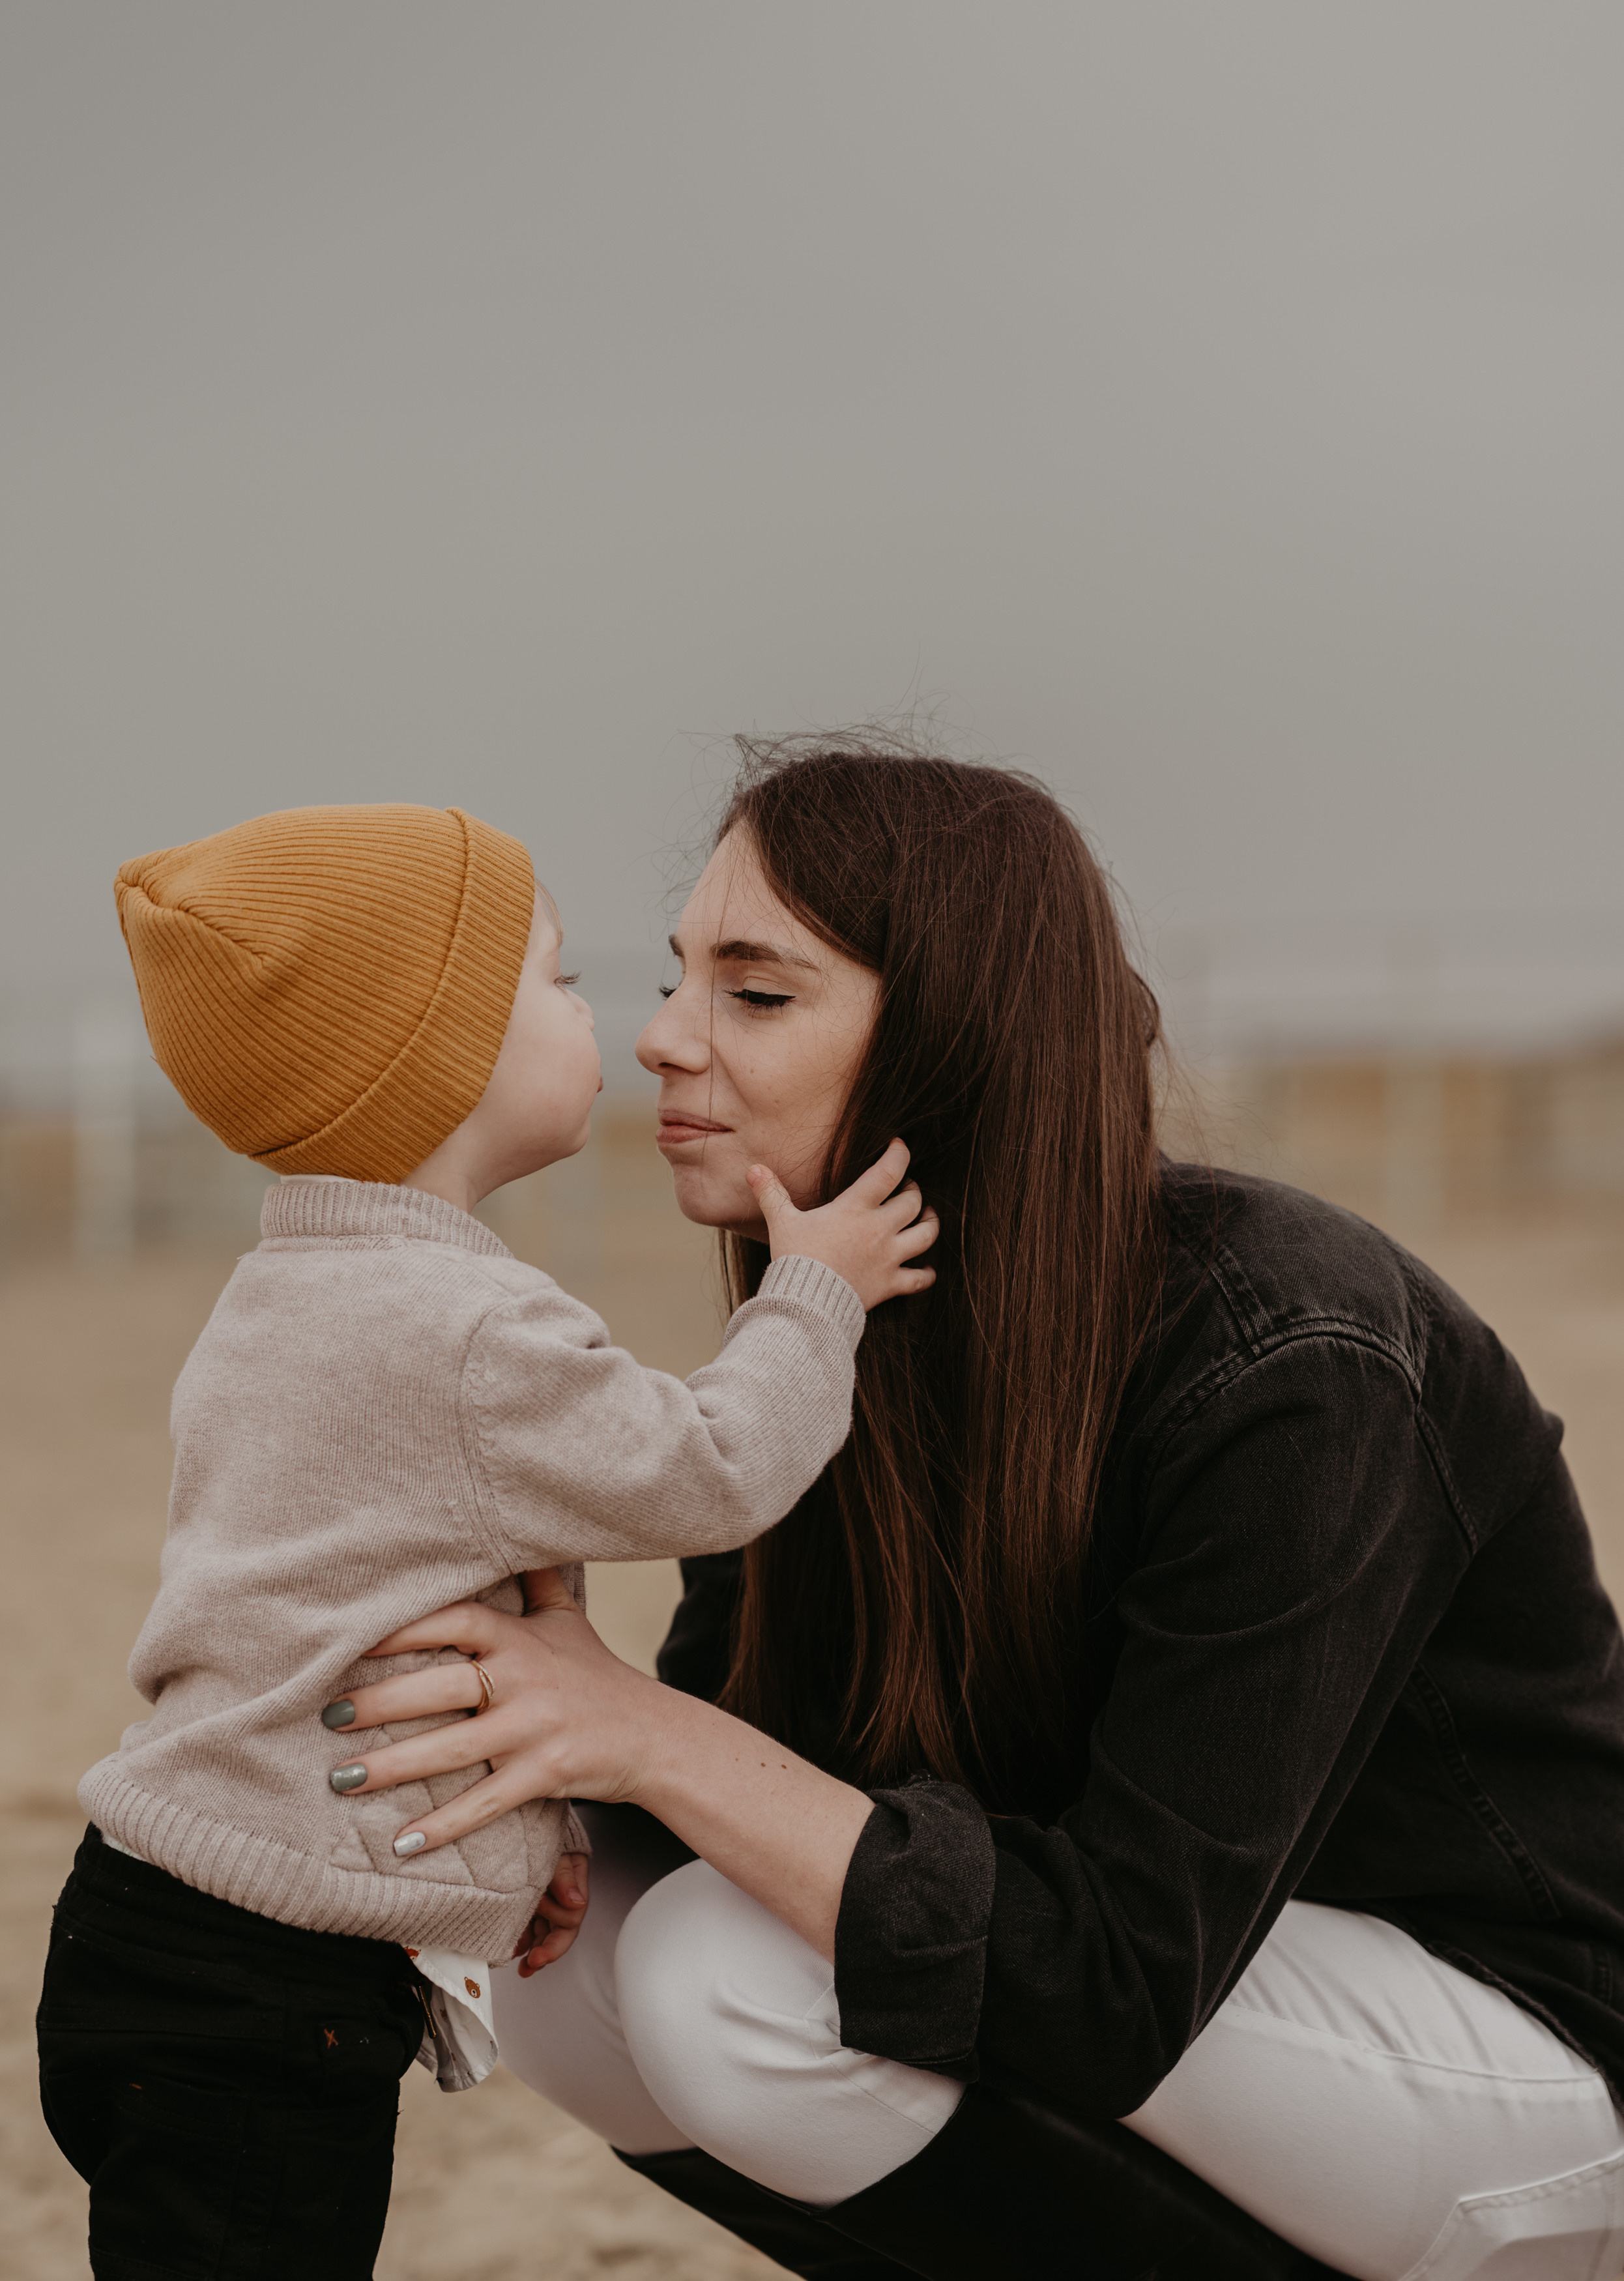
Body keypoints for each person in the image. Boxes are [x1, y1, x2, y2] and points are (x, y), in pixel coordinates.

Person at [313, 746, 1624, 2281]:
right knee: (574, 1946)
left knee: (725, 1981)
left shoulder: (1299, 1362)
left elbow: (1117, 1974)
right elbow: (781, 1774)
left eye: (758, 991)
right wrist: (547, 1734)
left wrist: (639, 1733)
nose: (661, 1040)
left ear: (955, 1036)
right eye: (679, 978)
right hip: (1184, 2021)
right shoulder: (834, 1332)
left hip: (1517, 2067)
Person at [36, 800, 936, 2280]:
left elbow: (374, 1599)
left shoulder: (279, 1298)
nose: (625, 1030)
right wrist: (813, 1291)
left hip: (148, 1929)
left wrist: (531, 1837)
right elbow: (709, 1471)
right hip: (270, 1983)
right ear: (437, 1057)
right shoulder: (466, 1328)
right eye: (563, 982)